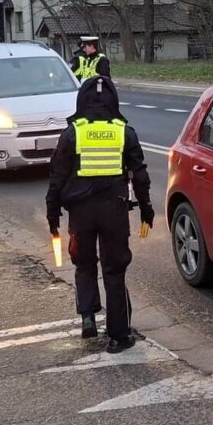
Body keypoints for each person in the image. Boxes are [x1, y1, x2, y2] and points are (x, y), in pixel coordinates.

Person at [46, 76, 152, 353]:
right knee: (114, 271)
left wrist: (52, 212)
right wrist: (146, 209)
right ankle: (119, 336)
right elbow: (139, 175)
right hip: (114, 212)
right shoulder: (124, 132)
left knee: (84, 263)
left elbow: (57, 176)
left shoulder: (73, 133)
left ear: (81, 101)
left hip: (81, 213)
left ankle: (88, 318)